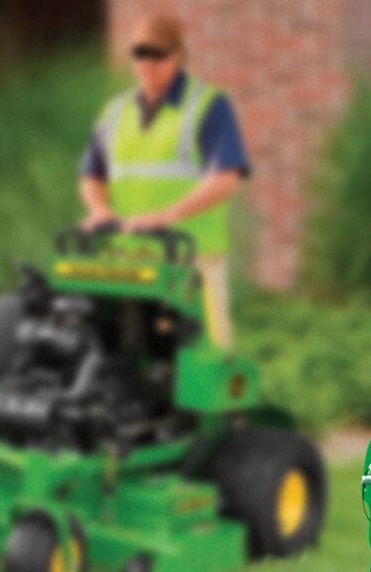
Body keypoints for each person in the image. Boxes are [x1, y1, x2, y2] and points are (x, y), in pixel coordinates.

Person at [78, 13, 250, 349]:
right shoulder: (115, 114)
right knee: (124, 360)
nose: (148, 63)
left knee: (206, 364)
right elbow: (92, 175)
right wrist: (99, 210)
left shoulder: (208, 106)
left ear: (179, 55)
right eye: (141, 54)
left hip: (192, 263)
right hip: (127, 263)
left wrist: (167, 216)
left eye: (159, 55)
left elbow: (227, 178)